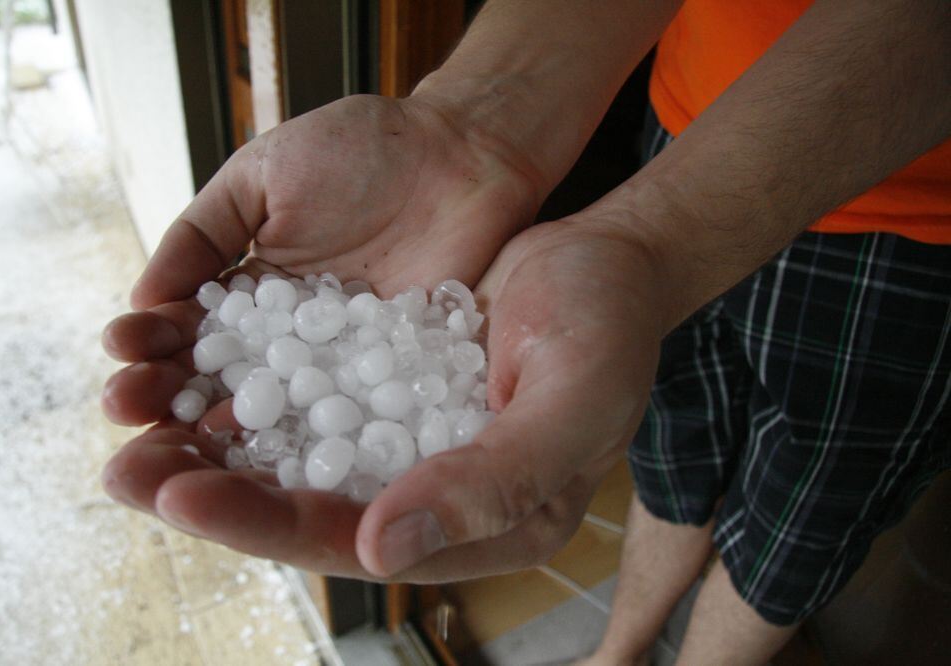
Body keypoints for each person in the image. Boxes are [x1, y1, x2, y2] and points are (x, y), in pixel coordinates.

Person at [100, 1, 950, 663]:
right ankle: (617, 651)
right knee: (676, 442)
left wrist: (648, 247)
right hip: (695, 119)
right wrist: (469, 121)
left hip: (915, 228)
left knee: (800, 515)